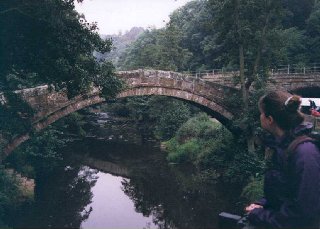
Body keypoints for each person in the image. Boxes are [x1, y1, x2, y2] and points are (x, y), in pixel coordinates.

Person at [245, 91, 320, 228]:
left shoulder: (305, 153)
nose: (260, 116)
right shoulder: (282, 146)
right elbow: (284, 192)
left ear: (269, 119)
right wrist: (263, 203)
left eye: (261, 113)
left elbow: (302, 215)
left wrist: (258, 215)